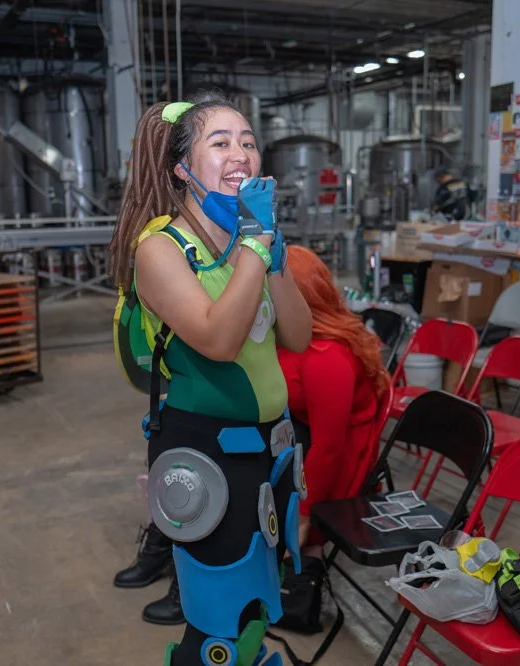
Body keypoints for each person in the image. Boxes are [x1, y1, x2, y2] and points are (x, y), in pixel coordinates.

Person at [108, 94, 312, 666]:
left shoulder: (254, 239)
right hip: (210, 455)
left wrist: (273, 258)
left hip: (271, 452)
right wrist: (254, 247)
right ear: (182, 169)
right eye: (220, 142)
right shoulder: (161, 250)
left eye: (248, 141)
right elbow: (219, 341)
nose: (241, 153)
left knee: (255, 606)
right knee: (218, 622)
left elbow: (299, 336)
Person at [277, 246, 391, 557]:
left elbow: (328, 448)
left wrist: (302, 516)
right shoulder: (292, 335)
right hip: (304, 434)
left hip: (335, 458)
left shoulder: (326, 356)